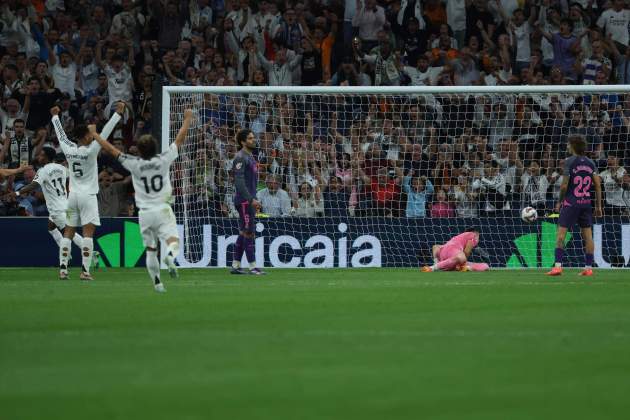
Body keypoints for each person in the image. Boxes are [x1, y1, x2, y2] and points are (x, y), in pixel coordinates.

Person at [90, 109, 193, 293]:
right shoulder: (164, 159)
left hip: (144, 213)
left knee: (151, 250)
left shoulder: (133, 163)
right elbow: (180, 139)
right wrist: (187, 118)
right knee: (173, 241)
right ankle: (169, 256)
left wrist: (95, 134)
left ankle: (157, 283)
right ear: (155, 147)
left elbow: (111, 149)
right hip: (162, 209)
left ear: (139, 149)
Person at [50, 102, 123, 281]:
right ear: (86, 137)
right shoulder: (92, 150)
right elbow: (105, 133)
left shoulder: (68, 149)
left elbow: (61, 136)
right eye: (90, 134)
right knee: (88, 234)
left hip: (72, 196)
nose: (93, 136)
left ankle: (63, 269)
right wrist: (118, 114)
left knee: (68, 232)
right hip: (88, 196)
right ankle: (85, 271)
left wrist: (55, 117)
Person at [13, 147, 84, 260]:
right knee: (51, 227)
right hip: (66, 204)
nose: (39, 157)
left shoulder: (43, 171)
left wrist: (16, 193)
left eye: (41, 155)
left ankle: (90, 251)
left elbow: (33, 185)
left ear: (46, 157)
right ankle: (67, 253)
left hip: (56, 209)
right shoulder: (62, 168)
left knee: (69, 233)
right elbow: (73, 177)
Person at [547, 135, 603, 277]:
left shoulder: (569, 162)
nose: (566, 146)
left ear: (573, 146)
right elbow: (597, 185)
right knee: (588, 236)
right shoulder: (591, 163)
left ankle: (558, 267)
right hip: (586, 204)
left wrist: (559, 201)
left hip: (571, 203)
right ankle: (588, 268)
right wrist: (598, 206)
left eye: (568, 144)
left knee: (561, 235)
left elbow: (565, 185)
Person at [231, 129, 266, 275]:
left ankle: (236, 265)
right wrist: (251, 200)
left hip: (248, 199)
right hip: (245, 201)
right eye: (250, 138)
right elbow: (238, 182)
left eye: (253, 137)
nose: (253, 140)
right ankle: (252, 266)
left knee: (243, 232)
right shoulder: (240, 157)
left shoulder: (250, 157)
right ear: (242, 142)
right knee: (249, 232)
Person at [421, 227, 490, 272]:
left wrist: (436, 259)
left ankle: (437, 264)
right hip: (454, 253)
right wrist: (463, 260)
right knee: (463, 258)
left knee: (485, 266)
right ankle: (432, 268)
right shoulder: (473, 235)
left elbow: (435, 247)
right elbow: (466, 251)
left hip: (443, 254)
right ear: (476, 233)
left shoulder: (456, 238)